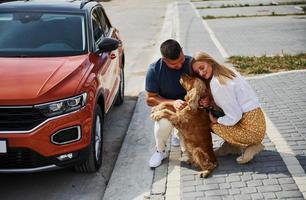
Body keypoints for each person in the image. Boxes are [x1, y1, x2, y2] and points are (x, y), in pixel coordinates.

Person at [191, 51, 266, 164]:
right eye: (198, 71)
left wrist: (217, 120)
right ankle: (232, 147)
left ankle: (251, 147)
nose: (201, 73)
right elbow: (232, 105)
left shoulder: (217, 83)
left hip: (251, 132)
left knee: (209, 123)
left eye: (202, 67)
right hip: (257, 123)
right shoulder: (226, 72)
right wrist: (210, 103)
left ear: (210, 61)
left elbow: (234, 116)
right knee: (216, 117)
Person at [145, 39, 192, 168]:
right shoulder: (154, 70)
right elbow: (150, 99)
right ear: (164, 60)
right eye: (174, 64)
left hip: (189, 108)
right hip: (166, 107)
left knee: (189, 152)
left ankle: (178, 133)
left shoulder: (191, 63)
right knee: (162, 125)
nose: (179, 66)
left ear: (182, 50)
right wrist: (173, 102)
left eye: (181, 60)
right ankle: (160, 151)